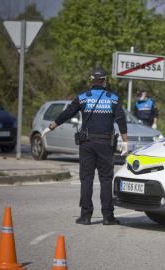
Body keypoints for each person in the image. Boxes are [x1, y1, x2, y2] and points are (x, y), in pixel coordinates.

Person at [42, 68, 129, 225]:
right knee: (106, 179)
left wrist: (51, 127)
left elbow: (67, 113)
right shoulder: (113, 98)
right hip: (105, 144)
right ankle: (108, 217)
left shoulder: (82, 98)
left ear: (91, 80)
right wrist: (125, 141)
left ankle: (85, 216)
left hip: (87, 144)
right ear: (105, 80)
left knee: (87, 179)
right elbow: (121, 119)